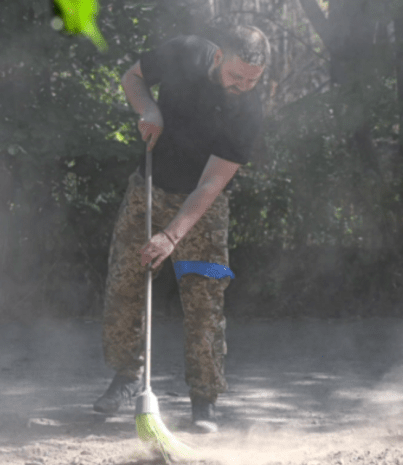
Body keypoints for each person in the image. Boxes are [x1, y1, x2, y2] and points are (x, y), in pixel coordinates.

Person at [92, 24, 270, 434]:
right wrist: (148, 109)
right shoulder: (185, 50)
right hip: (148, 191)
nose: (243, 86)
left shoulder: (249, 111)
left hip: (202, 209)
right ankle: (126, 378)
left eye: (253, 80)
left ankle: (204, 401)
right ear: (219, 56)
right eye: (236, 76)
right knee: (125, 281)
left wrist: (171, 236)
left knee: (205, 297)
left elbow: (210, 184)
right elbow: (132, 77)